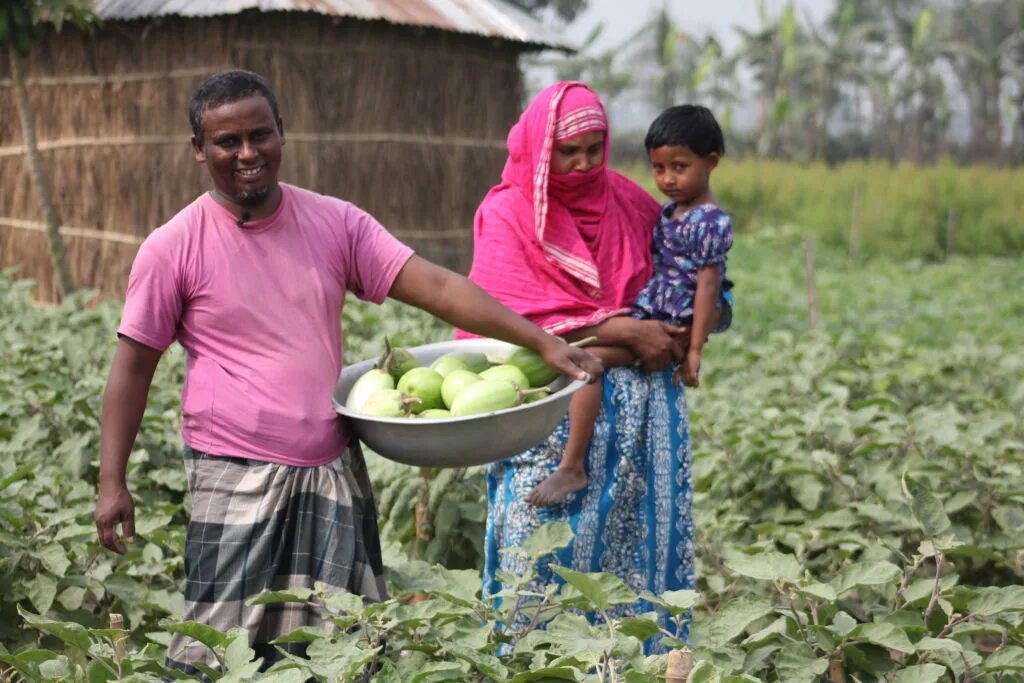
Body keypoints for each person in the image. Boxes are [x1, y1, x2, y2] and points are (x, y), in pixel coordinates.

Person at [91, 70, 602, 676]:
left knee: (344, 649)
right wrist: (111, 479)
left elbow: (436, 286)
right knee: (217, 649)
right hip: (232, 474)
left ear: (283, 133)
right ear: (200, 149)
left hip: (331, 469)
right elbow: (133, 369)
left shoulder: (334, 223)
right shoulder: (173, 247)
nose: (247, 154)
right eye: (228, 142)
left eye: (261, 135)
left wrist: (540, 341)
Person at [458, 81, 733, 648]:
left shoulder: (630, 202)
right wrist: (619, 328)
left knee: (635, 566)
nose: (583, 164)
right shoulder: (509, 213)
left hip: (643, 420)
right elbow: (502, 317)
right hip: (548, 412)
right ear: (540, 149)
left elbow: (698, 285)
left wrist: (683, 330)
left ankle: (641, 664)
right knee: (536, 552)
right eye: (568, 151)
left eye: (594, 148)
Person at [527, 104, 734, 506]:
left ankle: (572, 467)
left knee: (585, 363)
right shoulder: (673, 211)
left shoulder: (708, 221)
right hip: (654, 313)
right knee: (583, 360)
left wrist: (694, 350)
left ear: (710, 163)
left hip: (671, 325)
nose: (668, 179)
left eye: (679, 167)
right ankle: (573, 464)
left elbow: (710, 287)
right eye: (658, 168)